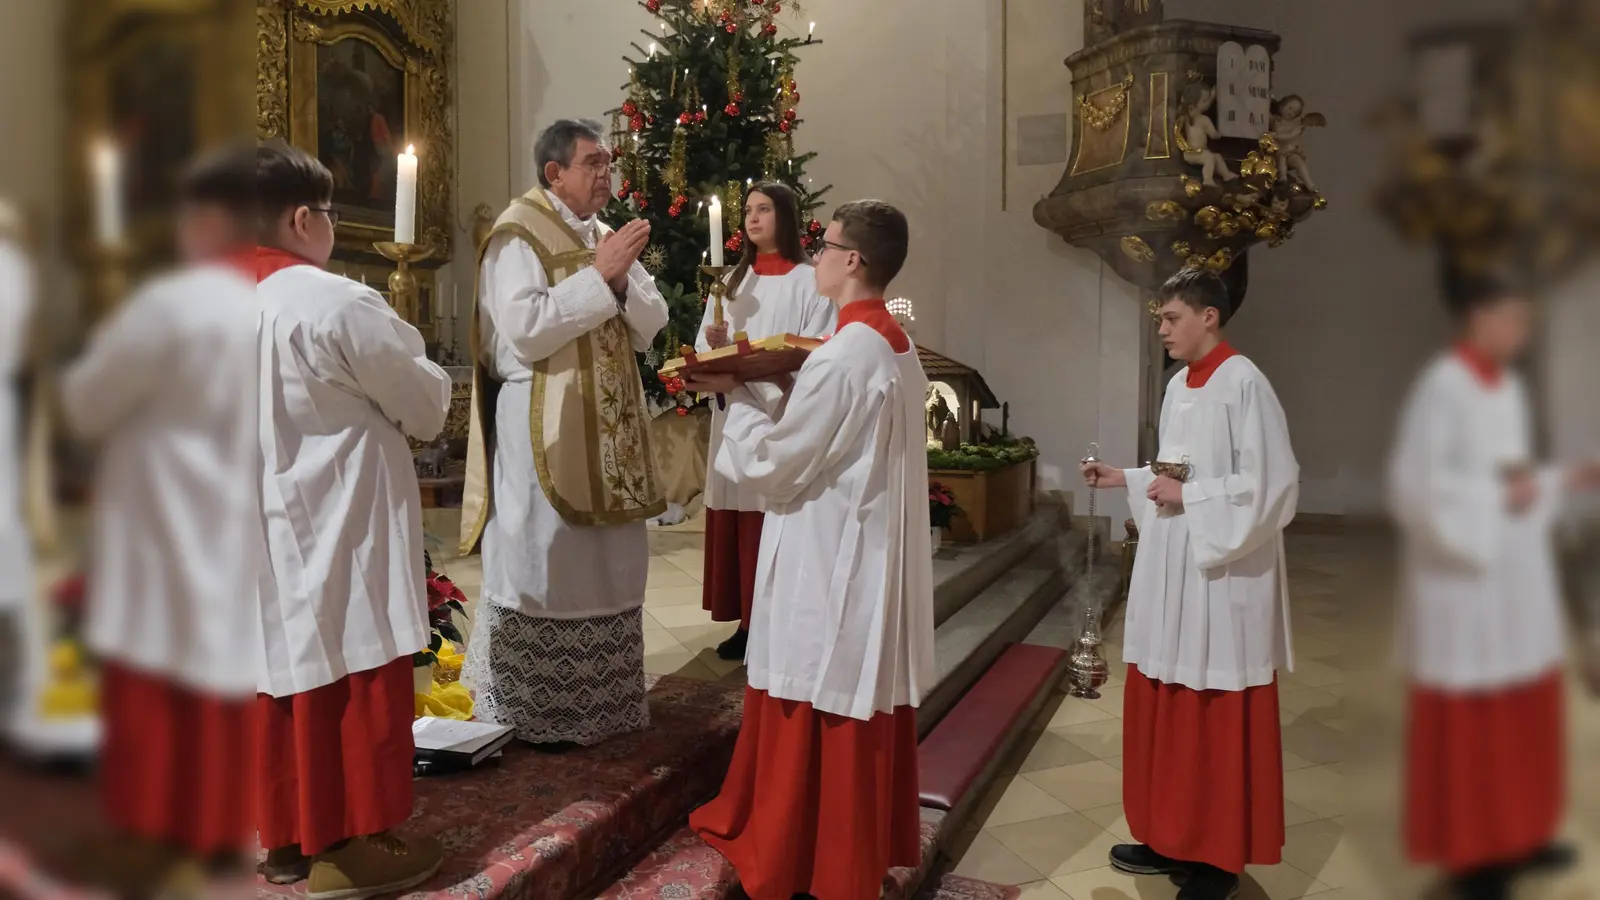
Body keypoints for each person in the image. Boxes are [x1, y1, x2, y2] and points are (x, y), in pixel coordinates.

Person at [684, 199, 934, 900]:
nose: (816, 254)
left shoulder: (847, 353)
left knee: (814, 683)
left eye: (826, 245)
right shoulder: (892, 344)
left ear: (853, 261)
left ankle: (806, 858)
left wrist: (734, 397)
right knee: (847, 690)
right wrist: (777, 387)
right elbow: (829, 428)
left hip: (830, 552)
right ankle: (852, 852)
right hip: (866, 546)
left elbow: (780, 464)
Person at [55, 144, 263, 894]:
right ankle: (219, 831)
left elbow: (86, 401)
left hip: (163, 518)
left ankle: (151, 835)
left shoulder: (168, 305)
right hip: (237, 511)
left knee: (154, 684)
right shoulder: (263, 300)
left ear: (203, 221)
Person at [253, 139, 450, 898]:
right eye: (331, 215)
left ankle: (287, 841)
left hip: (257, 532)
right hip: (337, 519)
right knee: (352, 666)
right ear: (304, 218)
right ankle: (351, 844)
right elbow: (427, 406)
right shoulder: (336, 301)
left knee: (278, 672)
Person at [1080, 267, 1298, 900]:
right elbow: (1178, 471)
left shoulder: (1245, 383)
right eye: (1159, 319)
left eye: (1172, 318)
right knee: (1168, 694)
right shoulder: (1178, 384)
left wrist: (1191, 494)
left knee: (1213, 710)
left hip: (1222, 578)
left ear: (1209, 316)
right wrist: (1127, 476)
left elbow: (1274, 485)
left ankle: (1217, 857)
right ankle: (1170, 835)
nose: (1163, 329)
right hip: (1175, 571)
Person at [1389, 268, 1600, 900]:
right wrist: (1510, 500)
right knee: (1478, 725)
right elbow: (1418, 491)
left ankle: (1523, 833)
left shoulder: (1505, 388)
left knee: (1527, 716)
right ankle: (1477, 858)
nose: (1519, 331)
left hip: (1516, 587)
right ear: (1476, 318)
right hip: (1467, 589)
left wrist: (1554, 483)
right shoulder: (1443, 388)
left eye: (1523, 320)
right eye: (1509, 317)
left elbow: (1513, 477)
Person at [459, 119, 668, 749]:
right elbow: (524, 331)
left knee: (610, 556)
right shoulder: (516, 233)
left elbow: (652, 322)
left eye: (609, 161)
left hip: (608, 422)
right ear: (555, 173)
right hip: (541, 424)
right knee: (547, 552)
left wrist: (622, 277)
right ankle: (534, 707)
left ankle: (600, 702)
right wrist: (599, 277)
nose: (607, 173)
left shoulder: (603, 234)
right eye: (592, 163)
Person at [696, 182, 836, 660]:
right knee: (739, 517)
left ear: (787, 217)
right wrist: (713, 343)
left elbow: (817, 348)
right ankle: (747, 623)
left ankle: (778, 622)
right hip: (735, 410)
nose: (753, 219)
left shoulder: (809, 280)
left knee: (772, 519)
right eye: (748, 211)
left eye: (764, 210)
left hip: (781, 416)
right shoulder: (732, 283)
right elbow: (701, 351)